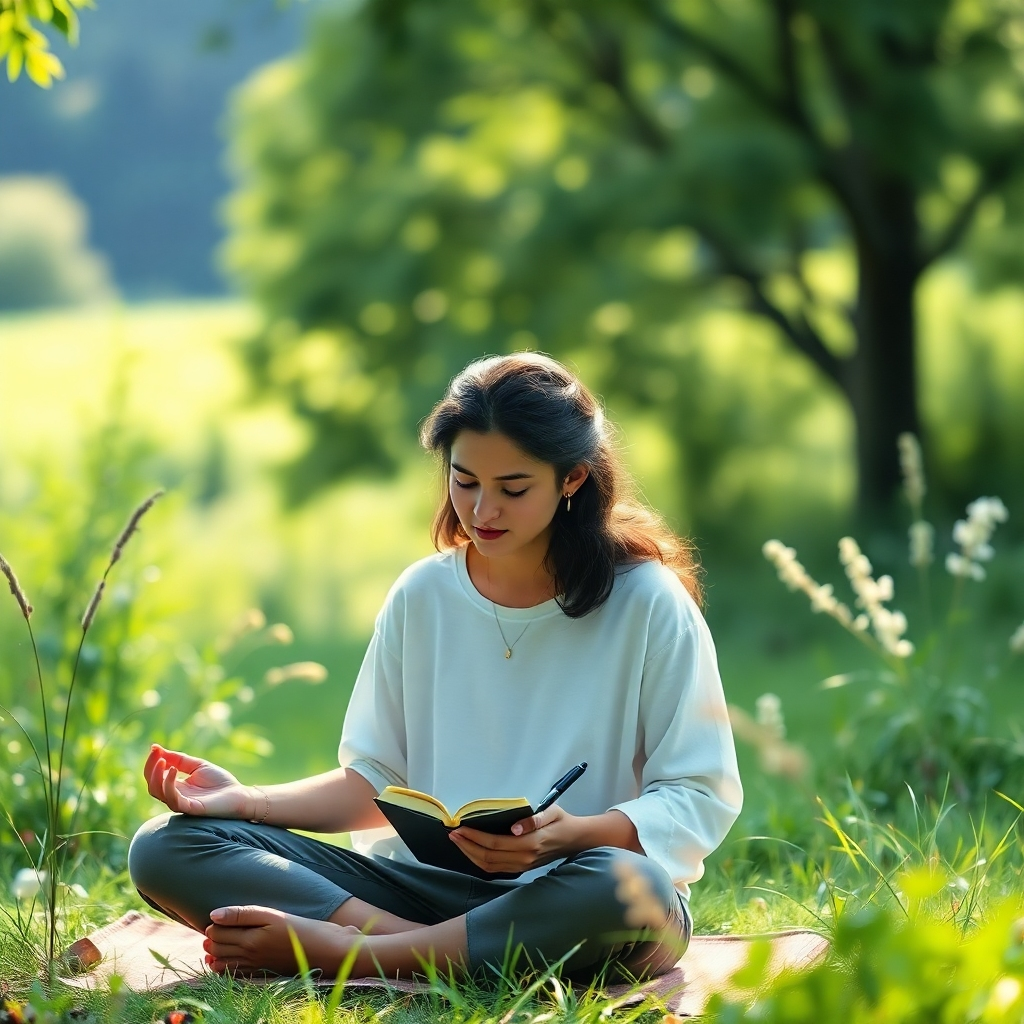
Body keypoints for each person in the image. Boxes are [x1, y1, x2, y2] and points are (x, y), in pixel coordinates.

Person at [128, 352, 743, 984]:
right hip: (421, 890)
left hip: (574, 893)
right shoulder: (422, 596)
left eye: (512, 489)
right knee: (168, 845)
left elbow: (698, 795)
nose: (482, 511)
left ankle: (354, 954)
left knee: (627, 885)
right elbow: (374, 782)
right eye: (464, 480)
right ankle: (430, 949)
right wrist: (247, 801)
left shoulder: (646, 601)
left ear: (573, 479)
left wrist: (569, 836)